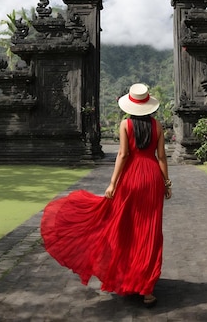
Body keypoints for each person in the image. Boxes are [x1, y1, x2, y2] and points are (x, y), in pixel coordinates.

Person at [40, 83, 172, 308]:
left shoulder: (125, 125)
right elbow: (161, 157)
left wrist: (112, 184)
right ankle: (147, 291)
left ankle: (130, 280)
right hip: (152, 179)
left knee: (125, 228)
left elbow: (122, 154)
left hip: (131, 178)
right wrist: (166, 182)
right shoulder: (158, 126)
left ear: (130, 105)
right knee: (149, 230)